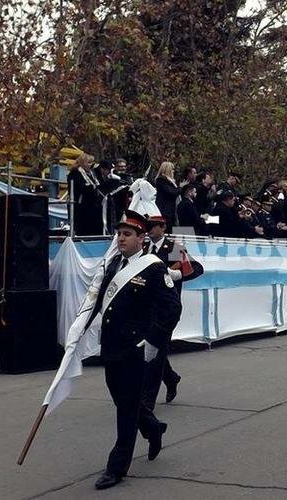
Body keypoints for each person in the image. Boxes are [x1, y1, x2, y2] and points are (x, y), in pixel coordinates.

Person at [83, 210, 182, 490]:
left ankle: (117, 467)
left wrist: (154, 339)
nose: (121, 238)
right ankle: (152, 427)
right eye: (119, 233)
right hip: (112, 344)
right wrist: (79, 330)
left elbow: (172, 307)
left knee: (125, 407)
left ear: (142, 237)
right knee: (122, 400)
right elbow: (100, 301)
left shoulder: (153, 267)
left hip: (135, 347)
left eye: (127, 234)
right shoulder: (114, 264)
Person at [144, 215, 204, 404]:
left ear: (163, 227)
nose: (150, 230)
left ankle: (147, 399)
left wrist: (177, 274)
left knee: (157, 349)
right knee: (153, 348)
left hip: (167, 307)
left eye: (154, 226)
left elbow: (197, 268)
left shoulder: (172, 248)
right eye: (148, 226)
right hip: (147, 306)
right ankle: (170, 378)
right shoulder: (144, 248)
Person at [67, 153, 104, 236]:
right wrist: (89, 187)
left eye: (92, 162)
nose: (91, 165)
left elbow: (99, 183)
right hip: (81, 205)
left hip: (94, 205)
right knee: (84, 228)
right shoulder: (75, 172)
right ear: (82, 163)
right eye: (89, 162)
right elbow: (77, 187)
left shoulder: (92, 173)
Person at [155, 162, 179, 233]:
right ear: (167, 170)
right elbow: (171, 192)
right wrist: (180, 187)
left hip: (171, 211)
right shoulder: (161, 180)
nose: (173, 171)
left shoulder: (171, 182)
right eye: (172, 169)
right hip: (164, 211)